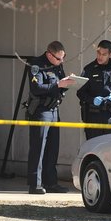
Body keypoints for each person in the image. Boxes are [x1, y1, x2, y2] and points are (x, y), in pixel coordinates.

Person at [26, 41, 75, 194]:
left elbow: (59, 84)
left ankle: (51, 183)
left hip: (54, 110)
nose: (61, 61)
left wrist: (67, 83)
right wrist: (58, 85)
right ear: (49, 54)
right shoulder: (36, 65)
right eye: (58, 58)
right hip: (41, 110)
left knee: (53, 147)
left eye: (63, 57)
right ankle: (35, 184)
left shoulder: (57, 65)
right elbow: (36, 87)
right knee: (38, 147)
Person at [76, 40, 111, 140]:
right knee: (93, 147)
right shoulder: (88, 69)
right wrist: (92, 99)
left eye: (104, 54)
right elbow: (80, 92)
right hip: (93, 115)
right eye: (98, 53)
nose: (100, 57)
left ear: (110, 54)